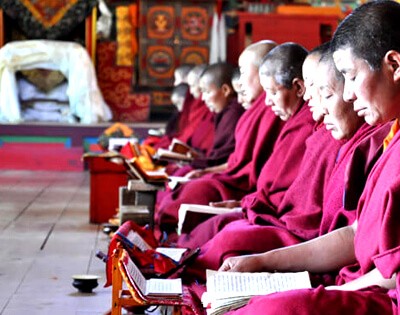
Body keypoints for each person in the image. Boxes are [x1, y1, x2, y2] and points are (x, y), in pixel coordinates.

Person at [218, 2, 400, 313]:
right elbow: (359, 232)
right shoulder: (391, 138)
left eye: (351, 76)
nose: (348, 94)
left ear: (394, 65)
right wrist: (262, 261)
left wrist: (327, 290)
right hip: (357, 281)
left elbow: (392, 274)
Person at [154, 40, 285, 236]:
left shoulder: (273, 111)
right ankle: (163, 233)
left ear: (262, 73)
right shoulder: (257, 110)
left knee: (199, 191)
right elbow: (237, 162)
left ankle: (169, 238)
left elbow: (259, 172)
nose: (239, 82)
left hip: (246, 188)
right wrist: (206, 170)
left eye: (243, 72)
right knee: (192, 184)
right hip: (235, 180)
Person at [169, 63, 245, 175]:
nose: (203, 98)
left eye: (206, 92)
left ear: (225, 90)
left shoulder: (234, 113)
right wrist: (196, 157)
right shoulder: (223, 113)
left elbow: (229, 160)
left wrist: (198, 163)